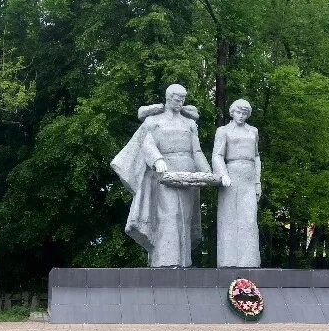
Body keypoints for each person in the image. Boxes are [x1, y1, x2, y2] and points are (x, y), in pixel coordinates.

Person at [111, 84, 213, 267]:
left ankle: (184, 262)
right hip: (165, 172)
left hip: (188, 173)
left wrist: (207, 172)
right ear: (168, 98)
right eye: (177, 98)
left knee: (186, 217)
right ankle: (165, 261)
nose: (180, 102)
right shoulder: (154, 121)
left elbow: (197, 151)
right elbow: (147, 144)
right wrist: (157, 160)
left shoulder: (190, 124)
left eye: (183, 99)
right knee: (170, 214)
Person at [213, 99, 261, 267]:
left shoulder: (253, 131)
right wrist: (223, 174)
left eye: (244, 113)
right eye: (238, 112)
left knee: (249, 219)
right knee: (229, 218)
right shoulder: (223, 131)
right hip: (231, 177)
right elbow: (217, 155)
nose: (241, 116)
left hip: (248, 176)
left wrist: (257, 182)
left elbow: (256, 156)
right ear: (232, 112)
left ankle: (249, 261)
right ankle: (228, 261)